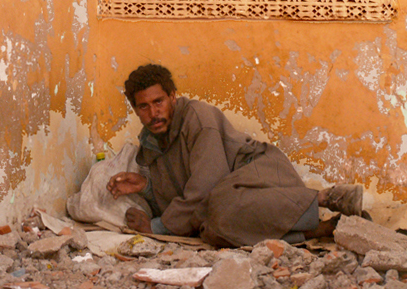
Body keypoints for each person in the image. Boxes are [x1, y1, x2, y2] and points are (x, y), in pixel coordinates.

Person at [106, 64, 363, 247]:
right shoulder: (151, 141)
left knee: (219, 209)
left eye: (159, 101)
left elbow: (205, 186)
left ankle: (325, 197)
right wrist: (147, 187)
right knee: (212, 231)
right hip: (227, 198)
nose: (153, 113)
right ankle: (326, 228)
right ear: (136, 110)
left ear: (173, 96)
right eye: (144, 106)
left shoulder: (197, 118)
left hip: (260, 171)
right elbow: (180, 194)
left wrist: (156, 228)